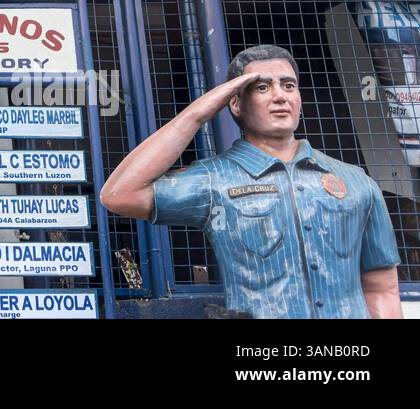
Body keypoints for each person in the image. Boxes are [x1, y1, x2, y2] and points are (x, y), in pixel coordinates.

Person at [100, 44, 403, 318]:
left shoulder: (355, 181)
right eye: (262, 87)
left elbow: (382, 289)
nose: (280, 96)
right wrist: (199, 112)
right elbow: (119, 194)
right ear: (235, 103)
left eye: (288, 85)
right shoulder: (214, 180)